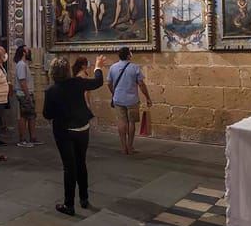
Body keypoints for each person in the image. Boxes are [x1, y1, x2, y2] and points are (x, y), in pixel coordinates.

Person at [44, 55, 108, 216]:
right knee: (81, 163)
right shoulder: (78, 83)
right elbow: (98, 82)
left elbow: (47, 114)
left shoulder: (51, 90)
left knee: (69, 167)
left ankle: (69, 205)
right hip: (82, 128)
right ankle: (84, 198)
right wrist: (98, 66)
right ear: (67, 71)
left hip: (64, 131)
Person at [108, 47, 153, 155]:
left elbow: (109, 83)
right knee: (131, 122)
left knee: (121, 122)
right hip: (132, 100)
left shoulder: (113, 67)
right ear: (128, 55)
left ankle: (123, 147)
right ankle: (130, 146)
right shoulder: (135, 67)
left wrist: (114, 93)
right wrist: (147, 97)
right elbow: (141, 84)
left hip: (118, 99)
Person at [13, 46, 39, 147]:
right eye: (27, 50)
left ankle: (33, 138)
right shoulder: (21, 65)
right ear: (24, 53)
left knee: (31, 116)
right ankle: (22, 140)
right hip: (24, 94)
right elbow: (22, 81)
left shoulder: (24, 64)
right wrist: (28, 95)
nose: (29, 52)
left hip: (27, 94)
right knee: (24, 116)